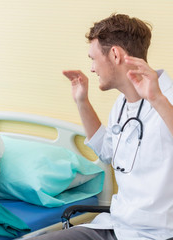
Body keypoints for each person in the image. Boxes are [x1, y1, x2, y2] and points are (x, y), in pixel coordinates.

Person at [32, 14, 173, 240]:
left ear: (115, 54)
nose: (92, 68)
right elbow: (108, 153)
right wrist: (82, 102)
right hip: (115, 226)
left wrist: (157, 100)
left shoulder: (167, 98)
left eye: (94, 58)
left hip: (157, 234)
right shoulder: (122, 103)